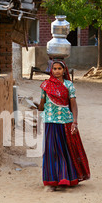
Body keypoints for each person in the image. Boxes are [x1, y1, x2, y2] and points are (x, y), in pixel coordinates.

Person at [37, 60, 90, 191]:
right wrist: (41, 105)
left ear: (64, 70)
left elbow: (73, 104)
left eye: (59, 68)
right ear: (51, 70)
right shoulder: (46, 85)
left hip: (65, 121)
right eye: (54, 69)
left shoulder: (68, 85)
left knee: (65, 150)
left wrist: (75, 121)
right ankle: (51, 182)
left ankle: (65, 179)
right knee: (50, 151)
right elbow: (41, 105)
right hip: (50, 121)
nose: (56, 71)